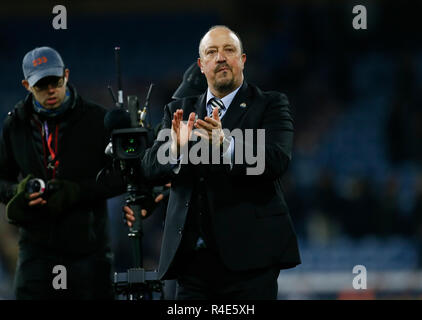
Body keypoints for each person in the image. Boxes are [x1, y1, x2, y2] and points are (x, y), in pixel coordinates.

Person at [125, 25, 301, 300]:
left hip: (250, 262)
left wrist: (226, 145)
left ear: (242, 60)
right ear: (202, 64)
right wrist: (174, 149)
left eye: (229, 50)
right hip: (192, 262)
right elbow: (148, 168)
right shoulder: (178, 110)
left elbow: (276, 160)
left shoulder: (270, 104)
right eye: (212, 52)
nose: (220, 57)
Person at [0, 46, 125, 299]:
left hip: (89, 250)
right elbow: (1, 179)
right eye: (41, 85)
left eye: (55, 82)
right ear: (26, 85)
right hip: (36, 250)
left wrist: (78, 192)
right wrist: (19, 193)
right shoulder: (15, 124)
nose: (51, 91)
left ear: (66, 75)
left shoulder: (97, 119)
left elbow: (122, 177)